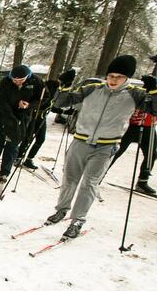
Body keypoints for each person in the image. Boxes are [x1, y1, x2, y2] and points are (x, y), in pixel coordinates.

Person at [46, 56, 157, 239]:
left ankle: (77, 221)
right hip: (80, 141)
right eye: (111, 75)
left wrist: (154, 91)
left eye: (119, 77)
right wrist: (63, 85)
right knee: (70, 179)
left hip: (106, 146)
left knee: (89, 183)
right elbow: (60, 103)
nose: (113, 80)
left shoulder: (134, 94)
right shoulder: (92, 89)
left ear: (127, 78)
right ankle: (62, 209)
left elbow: (154, 109)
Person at [0, 65, 43, 182]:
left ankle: (5, 173)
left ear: (27, 77)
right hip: (3, 117)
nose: (17, 83)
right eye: (15, 80)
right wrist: (10, 116)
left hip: (22, 118)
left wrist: (29, 105)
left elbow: (42, 99)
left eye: (20, 80)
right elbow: (0, 100)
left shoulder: (37, 82)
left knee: (12, 146)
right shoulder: (5, 82)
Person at [106, 105, 156, 196]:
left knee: (151, 154)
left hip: (149, 123)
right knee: (117, 150)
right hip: (132, 123)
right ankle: (99, 174)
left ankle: (142, 182)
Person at [19, 79, 60, 170]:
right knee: (28, 138)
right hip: (34, 116)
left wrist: (63, 111)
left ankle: (29, 159)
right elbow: (39, 103)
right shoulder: (44, 91)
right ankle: (18, 156)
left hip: (42, 118)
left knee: (41, 139)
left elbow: (51, 106)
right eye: (57, 89)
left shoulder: (53, 94)